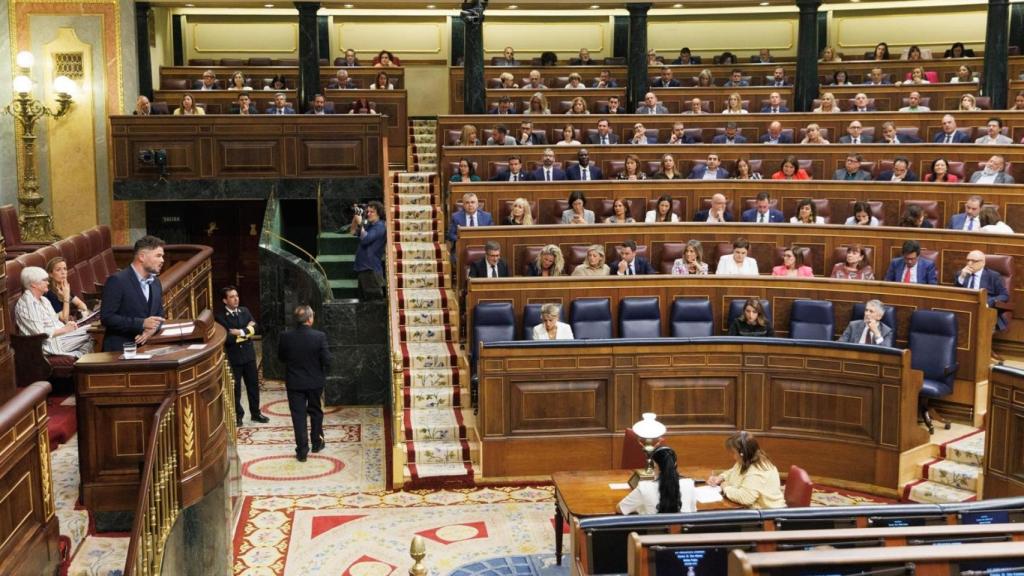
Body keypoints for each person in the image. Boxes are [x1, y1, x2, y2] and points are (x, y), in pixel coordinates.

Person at [278, 305, 330, 462]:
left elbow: (281, 358)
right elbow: (327, 360)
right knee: (315, 411)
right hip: (315, 382)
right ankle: (317, 443)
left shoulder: (285, 336)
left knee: (298, 416)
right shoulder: (319, 336)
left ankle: (302, 451)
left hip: (294, 383)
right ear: (310, 319)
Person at [100, 235, 165, 351]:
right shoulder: (117, 281)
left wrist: (152, 330)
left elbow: (159, 315)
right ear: (142, 257)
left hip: (148, 349)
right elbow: (107, 318)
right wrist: (141, 323)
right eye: (158, 256)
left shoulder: (156, 282)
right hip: (120, 351)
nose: (162, 260)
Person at [216, 286, 269, 427]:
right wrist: (247, 331)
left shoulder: (244, 311)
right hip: (234, 358)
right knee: (236, 389)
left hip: (249, 356)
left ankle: (255, 413)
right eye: (232, 297)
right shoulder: (220, 317)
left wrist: (240, 332)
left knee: (253, 386)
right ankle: (238, 416)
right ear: (225, 300)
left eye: (237, 296)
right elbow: (228, 338)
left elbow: (256, 328)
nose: (236, 299)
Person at [16, 266, 94, 358]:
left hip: (60, 338)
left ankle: (83, 360)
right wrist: (64, 330)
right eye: (44, 280)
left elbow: (55, 322)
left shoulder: (44, 300)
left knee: (92, 329)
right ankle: (83, 361)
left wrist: (68, 326)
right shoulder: (28, 304)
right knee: (91, 334)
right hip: (48, 345)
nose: (48, 283)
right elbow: (39, 334)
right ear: (34, 284)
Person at [707, 432, 785, 508]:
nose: (733, 456)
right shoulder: (747, 460)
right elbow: (733, 472)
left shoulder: (757, 470)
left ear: (743, 453)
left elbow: (745, 498)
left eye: (734, 452)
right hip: (751, 509)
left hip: (767, 513)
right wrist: (720, 478)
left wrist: (725, 487)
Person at [617, 446, 696, 515]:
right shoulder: (689, 484)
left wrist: (639, 508)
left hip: (653, 528)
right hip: (683, 528)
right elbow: (693, 511)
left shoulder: (644, 487)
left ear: (655, 465)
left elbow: (620, 509)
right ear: (675, 464)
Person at [954, 250, 1009, 330]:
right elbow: (955, 294)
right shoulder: (961, 274)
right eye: (968, 260)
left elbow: (1004, 295)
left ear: (983, 263)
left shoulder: (993, 276)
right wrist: (962, 277)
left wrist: (988, 302)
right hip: (964, 310)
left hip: (985, 311)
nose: (969, 263)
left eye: (974, 261)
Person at [350, 200, 386, 300]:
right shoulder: (369, 225)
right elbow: (352, 231)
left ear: (379, 213)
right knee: (364, 303)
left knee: (373, 302)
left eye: (372, 212)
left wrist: (360, 222)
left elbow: (365, 239)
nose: (368, 214)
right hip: (364, 269)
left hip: (371, 270)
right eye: (368, 211)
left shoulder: (380, 226)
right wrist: (355, 218)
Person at [45, 257, 89, 323]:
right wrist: (66, 297)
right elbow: (64, 319)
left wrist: (82, 313)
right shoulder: (50, 294)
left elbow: (82, 306)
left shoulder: (64, 287)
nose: (63, 272)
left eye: (65, 269)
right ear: (50, 274)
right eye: (58, 270)